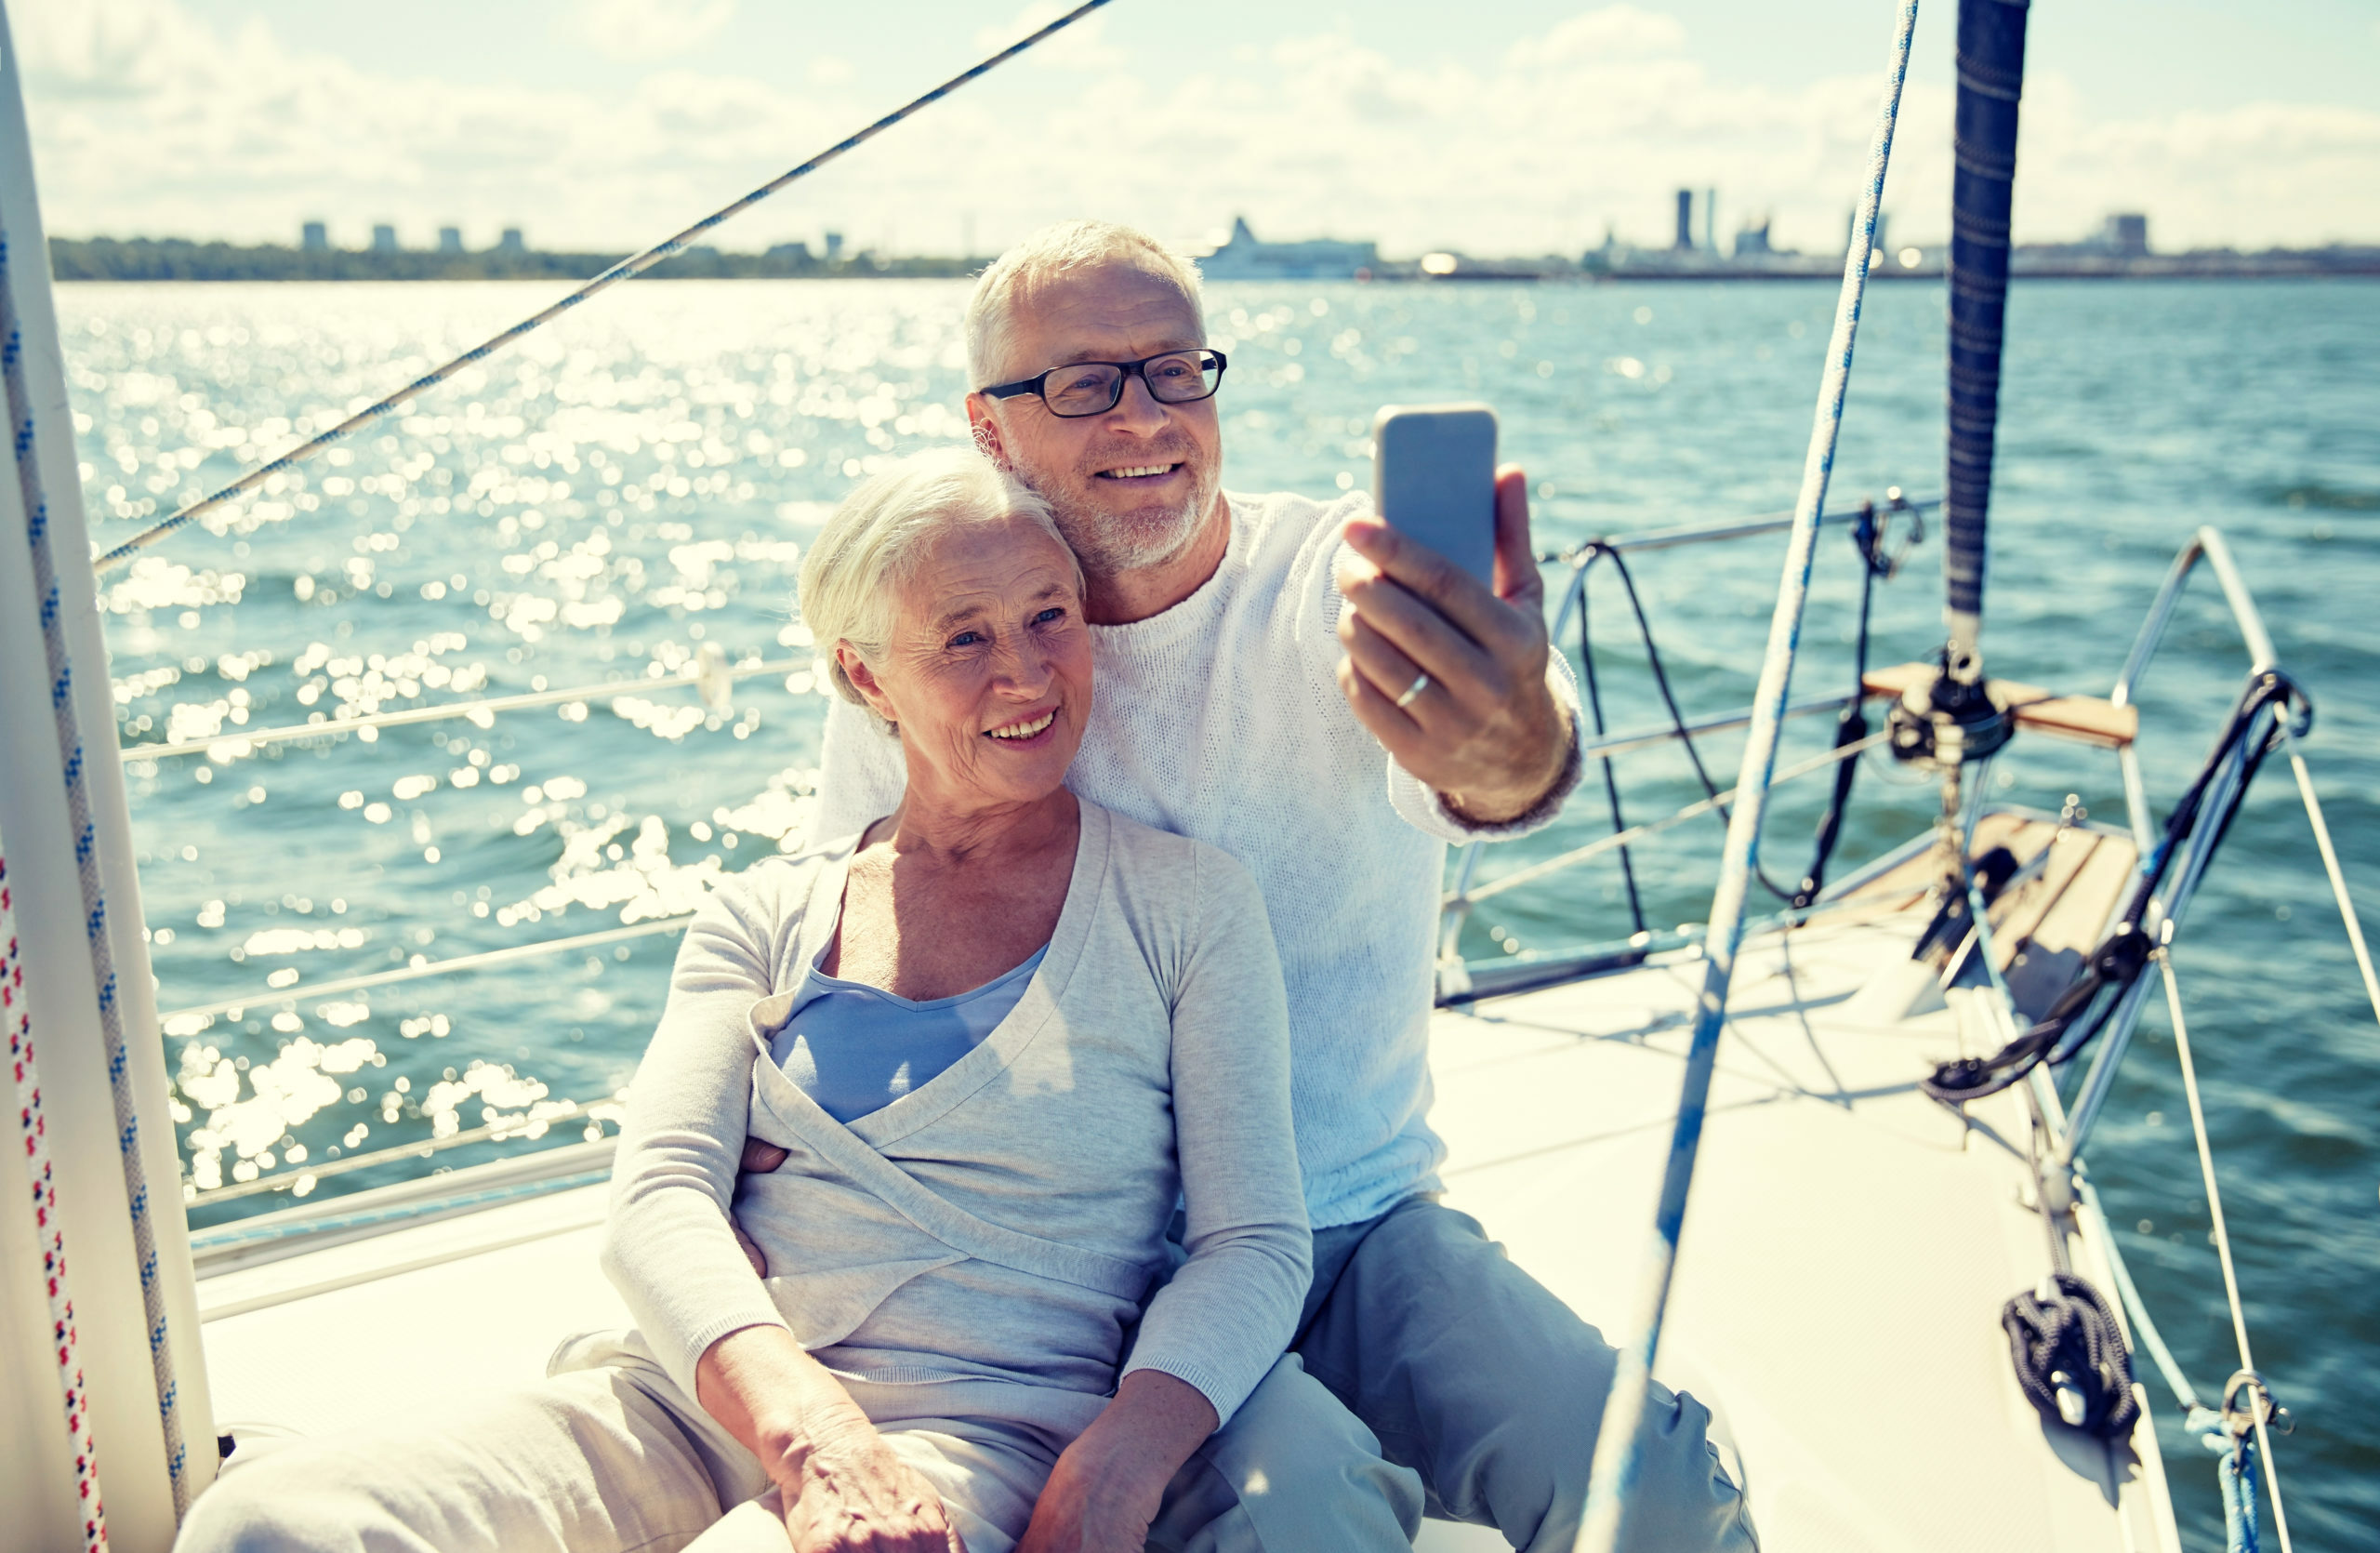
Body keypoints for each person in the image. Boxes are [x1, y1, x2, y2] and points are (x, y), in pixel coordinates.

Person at [782, 220, 1757, 1552]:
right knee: (1298, 1511)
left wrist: (1509, 739)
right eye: (1084, 383)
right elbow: (858, 924)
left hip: (1355, 1215)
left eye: (1177, 370)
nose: (1146, 415)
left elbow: (1504, 770)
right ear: (992, 430)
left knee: (1656, 1485)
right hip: (1085, 1260)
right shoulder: (943, 645)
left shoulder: (1337, 590)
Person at [175, 448, 1312, 1553]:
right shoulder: (762, 909)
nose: (1023, 672)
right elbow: (659, 1195)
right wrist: (812, 1437)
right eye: (964, 637)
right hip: (703, 1402)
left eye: (1049, 616)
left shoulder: (1188, 905)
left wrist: (1119, 1460)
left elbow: (1252, 1240)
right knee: (262, 1521)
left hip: (981, 1427)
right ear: (866, 676)